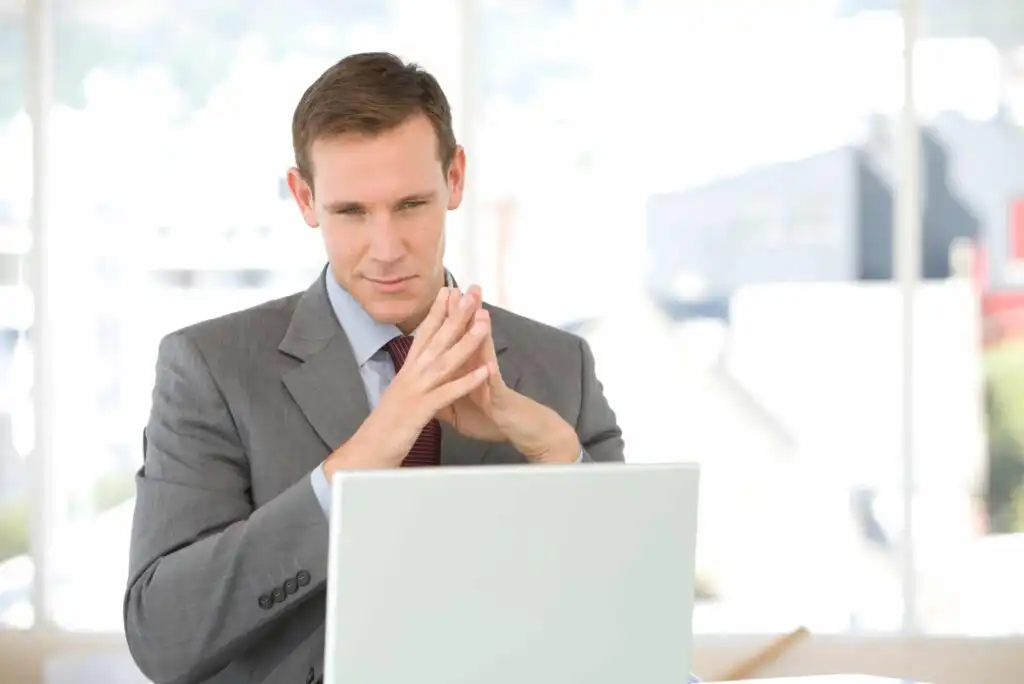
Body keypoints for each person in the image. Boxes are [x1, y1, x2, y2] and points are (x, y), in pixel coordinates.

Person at [124, 51, 640, 684]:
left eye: (411, 205)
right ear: (305, 198)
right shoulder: (208, 368)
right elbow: (163, 636)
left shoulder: (562, 368)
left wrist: (561, 455)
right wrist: (349, 471)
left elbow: (634, 622)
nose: (387, 249)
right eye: (351, 213)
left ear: (455, 179)